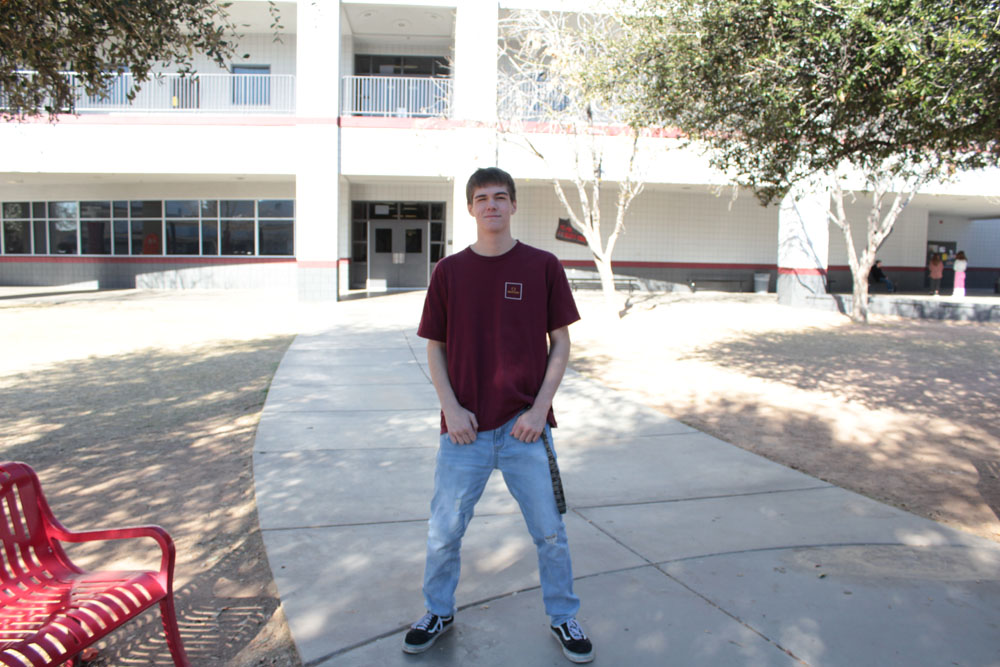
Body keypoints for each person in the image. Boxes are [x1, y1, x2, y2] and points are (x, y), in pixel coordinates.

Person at [404, 167, 593, 664]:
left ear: (513, 206)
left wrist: (538, 410)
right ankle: (437, 610)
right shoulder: (448, 272)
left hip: (524, 432)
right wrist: (451, 408)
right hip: (463, 431)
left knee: (550, 533)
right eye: (482, 198)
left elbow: (562, 343)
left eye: (500, 197)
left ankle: (563, 616)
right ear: (470, 208)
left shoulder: (542, 266)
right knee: (444, 531)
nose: (491, 205)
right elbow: (436, 348)